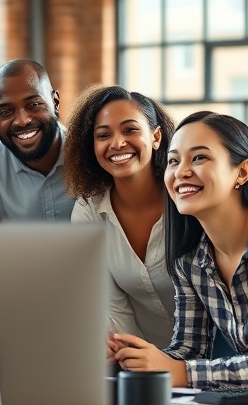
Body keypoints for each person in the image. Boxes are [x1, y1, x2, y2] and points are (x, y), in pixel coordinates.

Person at [112, 111, 248, 389]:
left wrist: (181, 372)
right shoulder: (191, 259)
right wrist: (131, 358)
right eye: (173, 161)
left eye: (199, 157)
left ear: (242, 172)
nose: (181, 172)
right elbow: (188, 351)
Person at [63, 85, 176, 348]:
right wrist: (129, 353)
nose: (117, 143)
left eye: (130, 130)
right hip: (145, 359)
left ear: (156, 136)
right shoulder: (88, 210)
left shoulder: (186, 195)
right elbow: (111, 305)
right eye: (103, 135)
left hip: (220, 359)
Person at [0, 59, 74, 222]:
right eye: (5, 112)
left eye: (34, 104)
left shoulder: (91, 154)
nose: (22, 121)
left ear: (55, 102)